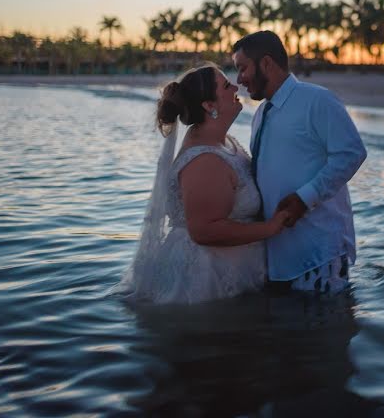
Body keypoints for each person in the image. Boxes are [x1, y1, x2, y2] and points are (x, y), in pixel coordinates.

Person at [115, 63, 292, 304]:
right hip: (206, 279)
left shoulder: (223, 142)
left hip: (231, 271)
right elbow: (204, 230)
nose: (236, 87)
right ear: (209, 106)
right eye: (226, 86)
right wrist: (271, 228)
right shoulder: (205, 160)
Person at [232, 31, 367, 294]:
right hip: (277, 254)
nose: (239, 79)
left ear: (267, 63)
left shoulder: (317, 100)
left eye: (243, 68)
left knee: (325, 332)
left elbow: (351, 153)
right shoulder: (261, 112)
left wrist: (305, 198)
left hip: (317, 252)